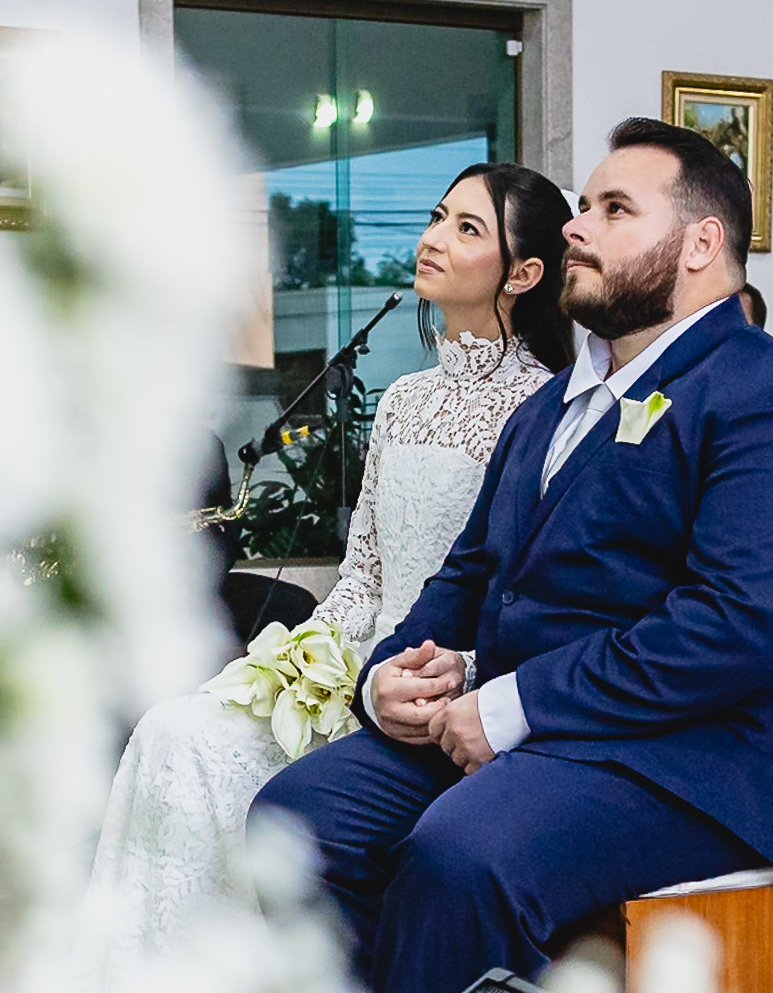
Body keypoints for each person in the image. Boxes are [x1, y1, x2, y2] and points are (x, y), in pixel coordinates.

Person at [253, 118, 773, 993]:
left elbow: (733, 627)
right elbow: (466, 577)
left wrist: (513, 706)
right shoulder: (546, 411)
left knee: (460, 857)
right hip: (540, 741)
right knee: (295, 818)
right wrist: (383, 681)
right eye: (581, 208)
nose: (576, 227)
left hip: (699, 759)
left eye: (613, 209)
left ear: (700, 243)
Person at [72, 162, 573, 989]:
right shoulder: (404, 399)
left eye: (466, 228)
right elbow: (364, 572)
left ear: (524, 274)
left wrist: (427, 682)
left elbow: (512, 595)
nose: (432, 239)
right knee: (175, 724)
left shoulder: (546, 411)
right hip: (357, 668)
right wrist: (296, 662)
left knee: (197, 749)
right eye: (437, 216)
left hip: (441, 691)